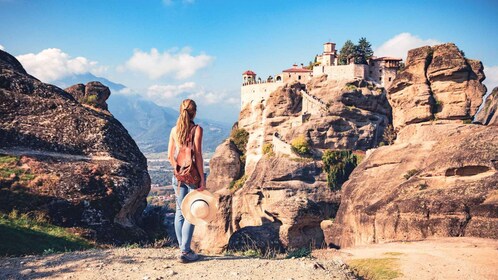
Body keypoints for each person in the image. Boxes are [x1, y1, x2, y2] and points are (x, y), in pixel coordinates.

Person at [167, 99, 205, 263]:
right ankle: (185, 252)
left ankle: (183, 248)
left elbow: (170, 156)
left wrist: (179, 170)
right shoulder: (197, 129)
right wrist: (202, 179)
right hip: (193, 176)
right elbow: (197, 155)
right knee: (191, 213)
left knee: (180, 212)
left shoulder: (174, 130)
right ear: (194, 112)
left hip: (178, 176)